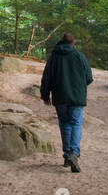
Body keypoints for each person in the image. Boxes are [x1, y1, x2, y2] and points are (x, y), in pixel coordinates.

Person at [40, 32, 93, 172]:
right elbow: (89, 77)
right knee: (76, 124)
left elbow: (46, 77)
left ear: (61, 42)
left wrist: (45, 95)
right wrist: (80, 87)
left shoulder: (54, 57)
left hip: (60, 97)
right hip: (77, 97)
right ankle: (74, 154)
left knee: (65, 124)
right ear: (73, 43)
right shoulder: (79, 56)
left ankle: (67, 156)